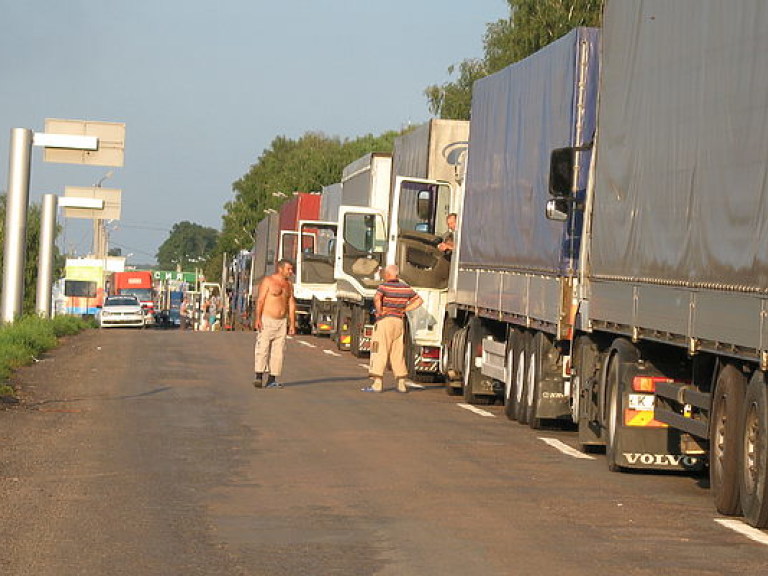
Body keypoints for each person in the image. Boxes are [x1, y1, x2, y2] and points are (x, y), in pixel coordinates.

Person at [364, 264, 423, 393]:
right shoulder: (405, 288)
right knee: (397, 352)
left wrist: (379, 312)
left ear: (388, 274)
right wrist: (405, 309)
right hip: (398, 321)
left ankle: (377, 382)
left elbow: (377, 298)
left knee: (379, 349)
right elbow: (419, 300)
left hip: (385, 321)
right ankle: (401, 382)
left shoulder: (384, 286)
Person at [253, 259, 296, 388]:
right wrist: (258, 319)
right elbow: (260, 300)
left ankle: (272, 379)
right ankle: (259, 376)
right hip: (268, 319)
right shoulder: (268, 281)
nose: (291, 272)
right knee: (263, 348)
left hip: (281, 322)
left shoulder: (288, 285)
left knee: (278, 351)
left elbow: (291, 303)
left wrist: (292, 323)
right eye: (288, 269)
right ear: (280, 268)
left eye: (291, 269)